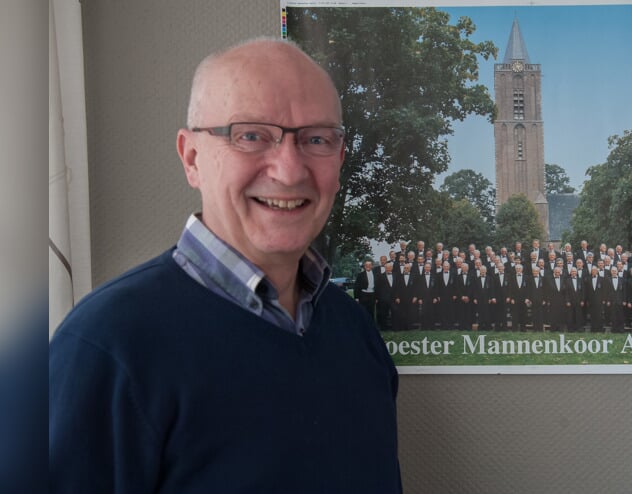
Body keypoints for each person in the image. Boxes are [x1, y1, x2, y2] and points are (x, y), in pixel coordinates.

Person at [49, 39, 402, 492]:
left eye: (316, 139)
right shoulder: (107, 347)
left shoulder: (355, 333)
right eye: (251, 135)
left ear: (339, 158)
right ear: (191, 157)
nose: (290, 171)